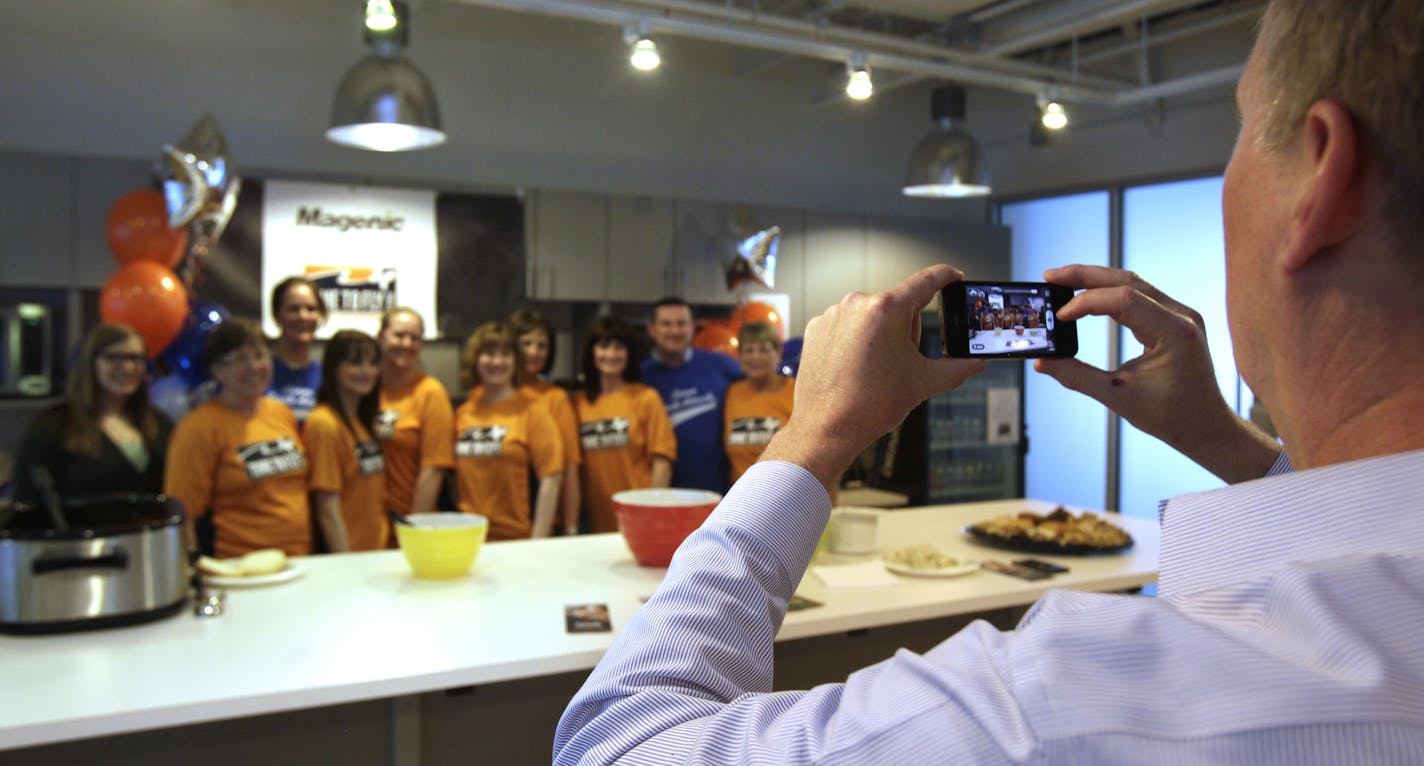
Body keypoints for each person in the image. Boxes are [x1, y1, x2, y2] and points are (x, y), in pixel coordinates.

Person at [554, 1, 1424, 761]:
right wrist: (1233, 448)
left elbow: (620, 744)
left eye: (1237, 128)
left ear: (1321, 176)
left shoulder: (1061, 707)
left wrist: (813, 435)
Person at [165, 318, 311, 558]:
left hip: (298, 562)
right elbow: (183, 516)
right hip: (237, 568)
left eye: (260, 356)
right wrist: (193, 574)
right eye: (241, 359)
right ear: (217, 370)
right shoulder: (198, 428)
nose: (254, 366)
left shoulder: (281, 413)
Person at [12, 323, 172, 506]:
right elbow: (27, 502)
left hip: (149, 533)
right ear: (91, 363)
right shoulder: (54, 424)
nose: (127, 367)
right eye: (114, 357)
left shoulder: (159, 422)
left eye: (135, 358)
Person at [452, 321, 564, 541]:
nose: (496, 362)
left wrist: (538, 540)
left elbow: (552, 477)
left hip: (516, 538)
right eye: (488, 353)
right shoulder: (464, 413)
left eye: (505, 354)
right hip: (467, 536)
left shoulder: (533, 411)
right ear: (475, 359)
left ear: (515, 362)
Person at [571, 316, 676, 533]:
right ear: (592, 353)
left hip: (641, 520)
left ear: (629, 353)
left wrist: (652, 512)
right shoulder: (578, 404)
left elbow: (662, 460)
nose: (611, 354)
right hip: (595, 526)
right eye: (604, 346)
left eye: (619, 347)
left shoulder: (646, 398)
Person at [638, 297, 742, 494]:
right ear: (652, 330)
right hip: (661, 494)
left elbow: (763, 382)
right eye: (666, 324)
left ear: (693, 327)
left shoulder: (721, 366)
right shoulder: (639, 378)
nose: (675, 331)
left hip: (716, 498)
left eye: (681, 323)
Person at [303, 330, 386, 552]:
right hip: (348, 556)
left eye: (373, 363)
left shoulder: (362, 422)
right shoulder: (324, 423)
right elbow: (327, 510)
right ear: (334, 368)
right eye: (355, 363)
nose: (367, 372)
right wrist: (345, 563)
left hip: (375, 550)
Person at [509, 308, 583, 535]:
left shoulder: (555, 398)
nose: (534, 352)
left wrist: (571, 528)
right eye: (526, 343)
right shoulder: (490, 395)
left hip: (545, 521)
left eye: (542, 346)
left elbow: (570, 468)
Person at [375, 307, 453, 517]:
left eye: (415, 338)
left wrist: (413, 527)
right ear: (380, 337)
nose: (406, 344)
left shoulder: (430, 393)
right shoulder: (364, 390)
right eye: (399, 335)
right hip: (367, 523)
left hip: (407, 517)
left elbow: (434, 468)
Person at [722, 321, 794, 485]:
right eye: (749, 350)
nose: (756, 357)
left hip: (789, 501)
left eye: (763, 349)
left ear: (778, 353)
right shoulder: (732, 393)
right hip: (741, 502)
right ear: (739, 356)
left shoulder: (798, 392)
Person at [266, 276, 327, 422]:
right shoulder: (258, 372)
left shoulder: (327, 377)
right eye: (293, 309)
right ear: (276, 315)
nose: (303, 316)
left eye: (311, 309)